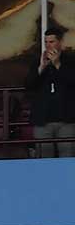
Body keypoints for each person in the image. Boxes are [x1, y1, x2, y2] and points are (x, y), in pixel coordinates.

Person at [27, 24, 72, 158]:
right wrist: (41, 68)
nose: (48, 45)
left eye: (51, 41)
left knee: (68, 157)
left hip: (67, 119)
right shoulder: (38, 61)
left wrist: (58, 64)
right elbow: (28, 85)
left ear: (60, 42)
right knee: (44, 159)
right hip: (43, 120)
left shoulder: (71, 60)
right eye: (46, 42)